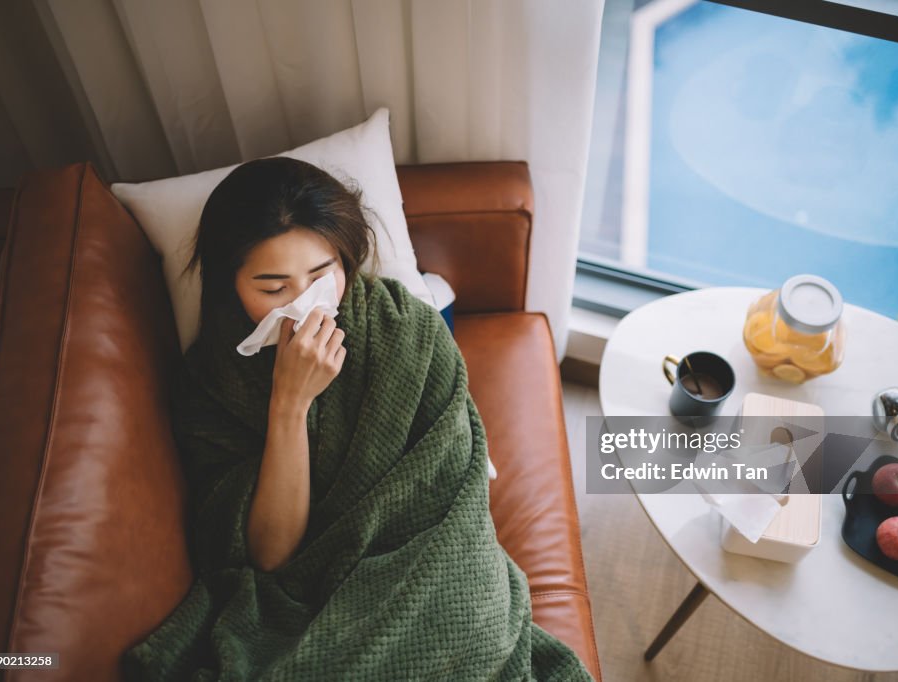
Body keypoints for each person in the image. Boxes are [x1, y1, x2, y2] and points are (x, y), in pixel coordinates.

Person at [121, 156, 593, 681]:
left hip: (434, 567)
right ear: (230, 285)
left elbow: (451, 497)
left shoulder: (407, 331)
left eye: (322, 276)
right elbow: (270, 555)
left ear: (347, 261)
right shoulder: (211, 383)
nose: (305, 307)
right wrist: (289, 404)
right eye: (273, 289)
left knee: (470, 627)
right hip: (308, 593)